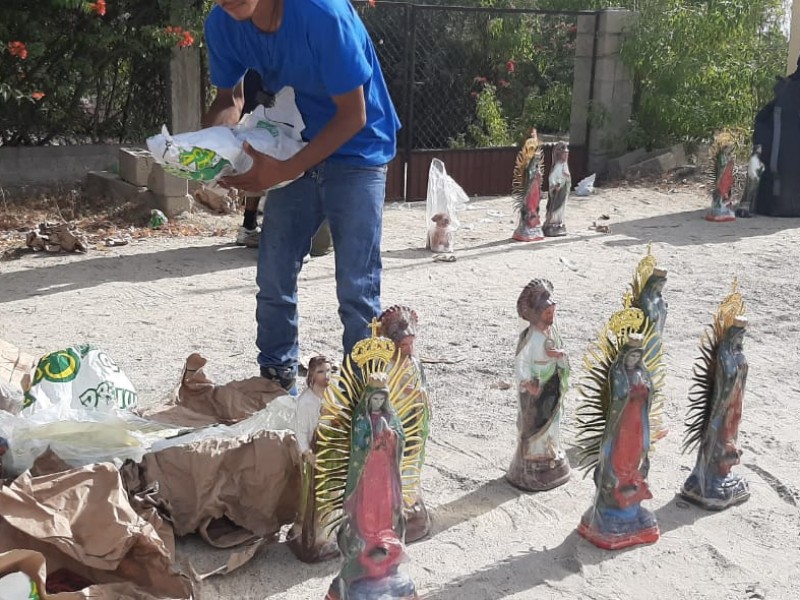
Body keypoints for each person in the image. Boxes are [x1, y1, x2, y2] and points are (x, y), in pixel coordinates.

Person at [202, 0, 400, 393]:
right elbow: (230, 100)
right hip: (294, 143)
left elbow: (353, 115)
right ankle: (276, 382)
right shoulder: (222, 22)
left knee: (356, 286)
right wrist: (212, 149)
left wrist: (285, 169)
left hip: (359, 149)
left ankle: (365, 398)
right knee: (274, 272)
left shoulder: (321, 14)